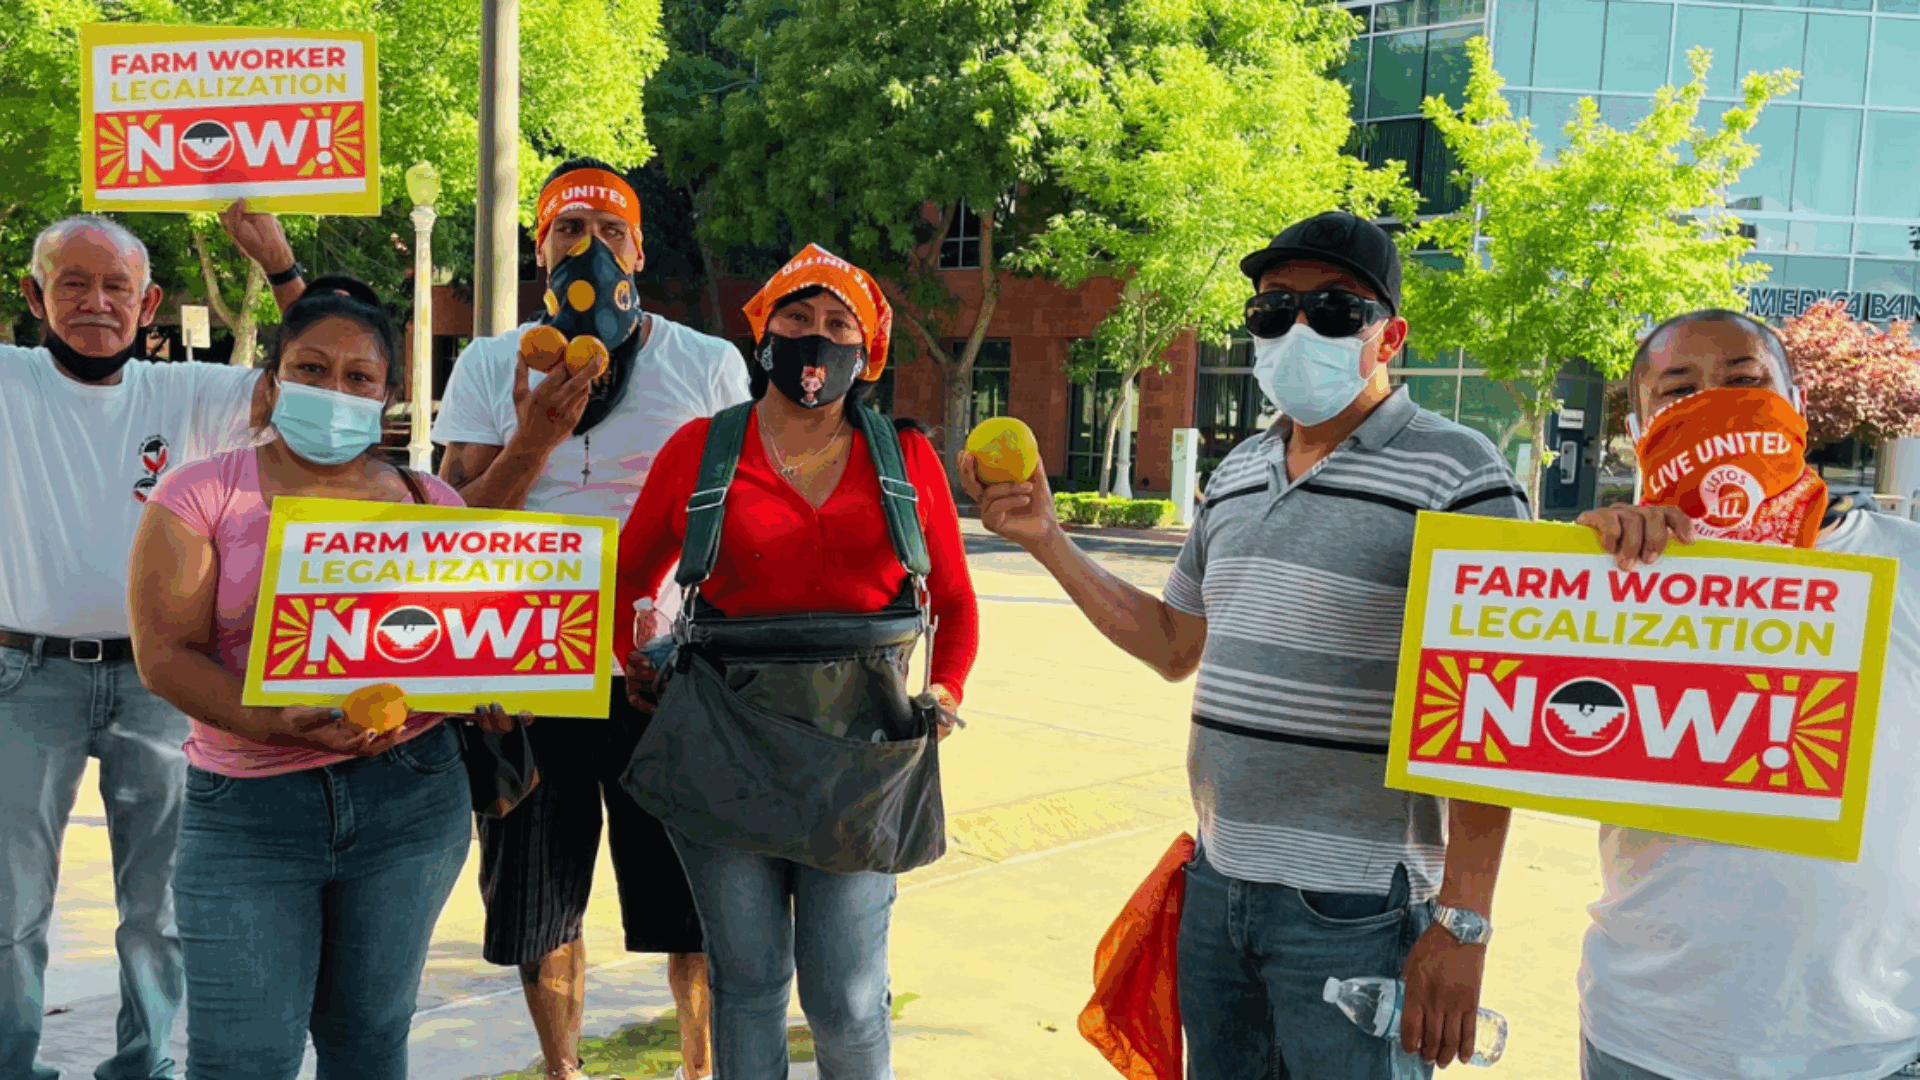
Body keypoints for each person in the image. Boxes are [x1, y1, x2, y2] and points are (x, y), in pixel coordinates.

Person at [965, 211, 1530, 1078]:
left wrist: (1464, 921)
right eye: (1272, 311)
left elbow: (1493, 717)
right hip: (1219, 887)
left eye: (1333, 310)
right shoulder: (1236, 472)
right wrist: (1049, 540)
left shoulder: (1461, 475)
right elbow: (1171, 643)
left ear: (1390, 337)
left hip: (1358, 908)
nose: (1298, 329)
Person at [125, 276, 527, 1080]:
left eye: (358, 377)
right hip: (248, 809)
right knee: (244, 1060)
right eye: (310, 369)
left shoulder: (430, 501)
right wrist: (268, 722)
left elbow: (464, 649)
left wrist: (495, 693)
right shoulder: (202, 493)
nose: (334, 391)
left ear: (388, 395)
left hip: (411, 800)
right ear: (273, 380)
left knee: (370, 1042)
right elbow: (165, 655)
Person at [615, 244, 978, 1080]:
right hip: (724, 738)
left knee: (846, 995)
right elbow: (628, 577)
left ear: (868, 351)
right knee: (746, 983)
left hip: (862, 749)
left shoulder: (906, 459)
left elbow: (953, 601)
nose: (816, 337)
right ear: (763, 333)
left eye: (838, 324)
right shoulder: (701, 450)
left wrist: (946, 690)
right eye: (797, 317)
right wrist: (636, 654)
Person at [427, 158, 749, 1080]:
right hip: (527, 671)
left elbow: (739, 515)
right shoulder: (490, 362)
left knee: (693, 903)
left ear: (639, 251)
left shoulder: (707, 362)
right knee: (539, 904)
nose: (591, 249)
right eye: (569, 230)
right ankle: (563, 1070)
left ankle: (697, 1068)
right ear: (541, 251)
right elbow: (449, 522)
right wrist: (533, 442)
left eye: (611, 233)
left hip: (666, 670)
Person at [1575, 309, 1920, 1080]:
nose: (1716, 404)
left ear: (1796, 403)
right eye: (1679, 390)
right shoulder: (1606, 577)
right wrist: (1592, 567)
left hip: (1871, 1045)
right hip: (1650, 1037)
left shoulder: (1908, 567)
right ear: (1638, 429)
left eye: (1745, 381)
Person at [0, 213, 270, 1080]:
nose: (96, 302)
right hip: (22, 677)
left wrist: (277, 262)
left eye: (116, 285)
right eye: (72, 283)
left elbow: (312, 386)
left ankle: (143, 1067)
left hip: (161, 677)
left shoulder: (186, 393)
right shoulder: (9, 380)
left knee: (159, 911)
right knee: (9, 911)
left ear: (148, 303)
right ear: (34, 295)